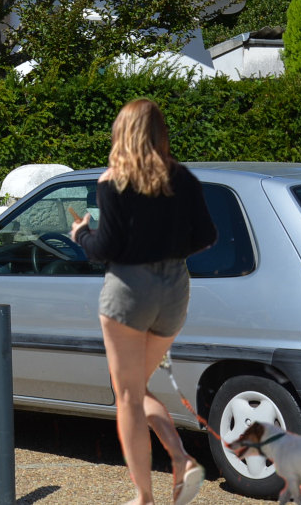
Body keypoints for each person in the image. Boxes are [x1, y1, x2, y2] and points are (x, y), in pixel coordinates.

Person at [71, 98, 217, 505]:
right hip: (174, 288)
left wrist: (81, 233)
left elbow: (106, 248)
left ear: (122, 132)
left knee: (128, 397)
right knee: (135, 386)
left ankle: (143, 497)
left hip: (130, 290)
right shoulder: (182, 178)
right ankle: (182, 459)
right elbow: (206, 236)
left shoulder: (113, 180)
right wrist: (168, 249)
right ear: (160, 133)